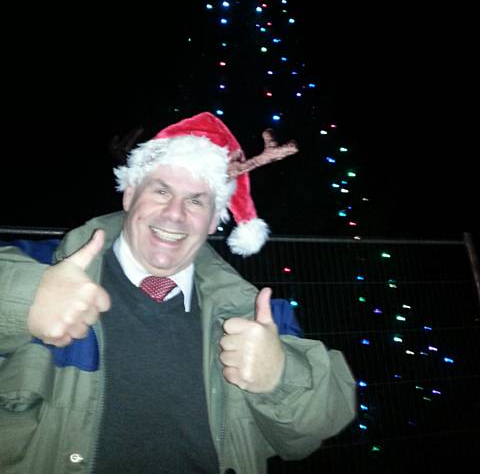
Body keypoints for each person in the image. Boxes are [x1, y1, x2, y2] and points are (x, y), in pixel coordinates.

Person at [0, 111, 356, 473]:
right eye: (161, 191)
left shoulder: (255, 316)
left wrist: (279, 376)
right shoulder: (45, 268)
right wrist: (24, 297)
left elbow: (318, 426)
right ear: (129, 196)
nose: (174, 214)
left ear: (215, 217)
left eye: (196, 201)